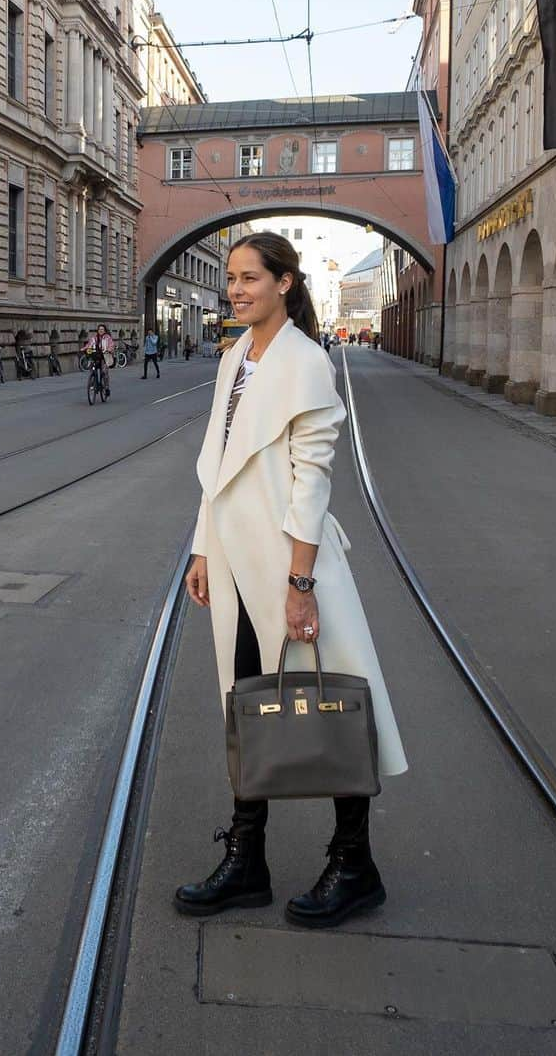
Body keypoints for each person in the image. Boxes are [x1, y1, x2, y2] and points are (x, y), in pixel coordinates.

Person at [177, 231, 407, 928]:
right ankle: (248, 860)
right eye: (232, 280)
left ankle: (355, 863)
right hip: (236, 561)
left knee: (330, 705)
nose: (237, 290)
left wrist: (299, 584)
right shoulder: (234, 357)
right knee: (248, 706)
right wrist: (201, 549)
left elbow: (313, 479)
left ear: (284, 282)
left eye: (250, 278)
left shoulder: (307, 362)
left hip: (288, 565)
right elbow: (216, 465)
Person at [84, 324, 114, 397]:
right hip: (96, 356)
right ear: (98, 330)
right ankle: (92, 381)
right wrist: (84, 349)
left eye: (102, 329)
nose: (101, 330)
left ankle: (106, 388)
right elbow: (89, 345)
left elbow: (111, 345)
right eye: (99, 329)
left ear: (104, 330)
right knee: (91, 367)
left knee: (104, 371)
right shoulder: (94, 338)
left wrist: (109, 349)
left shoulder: (108, 338)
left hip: (104, 357)